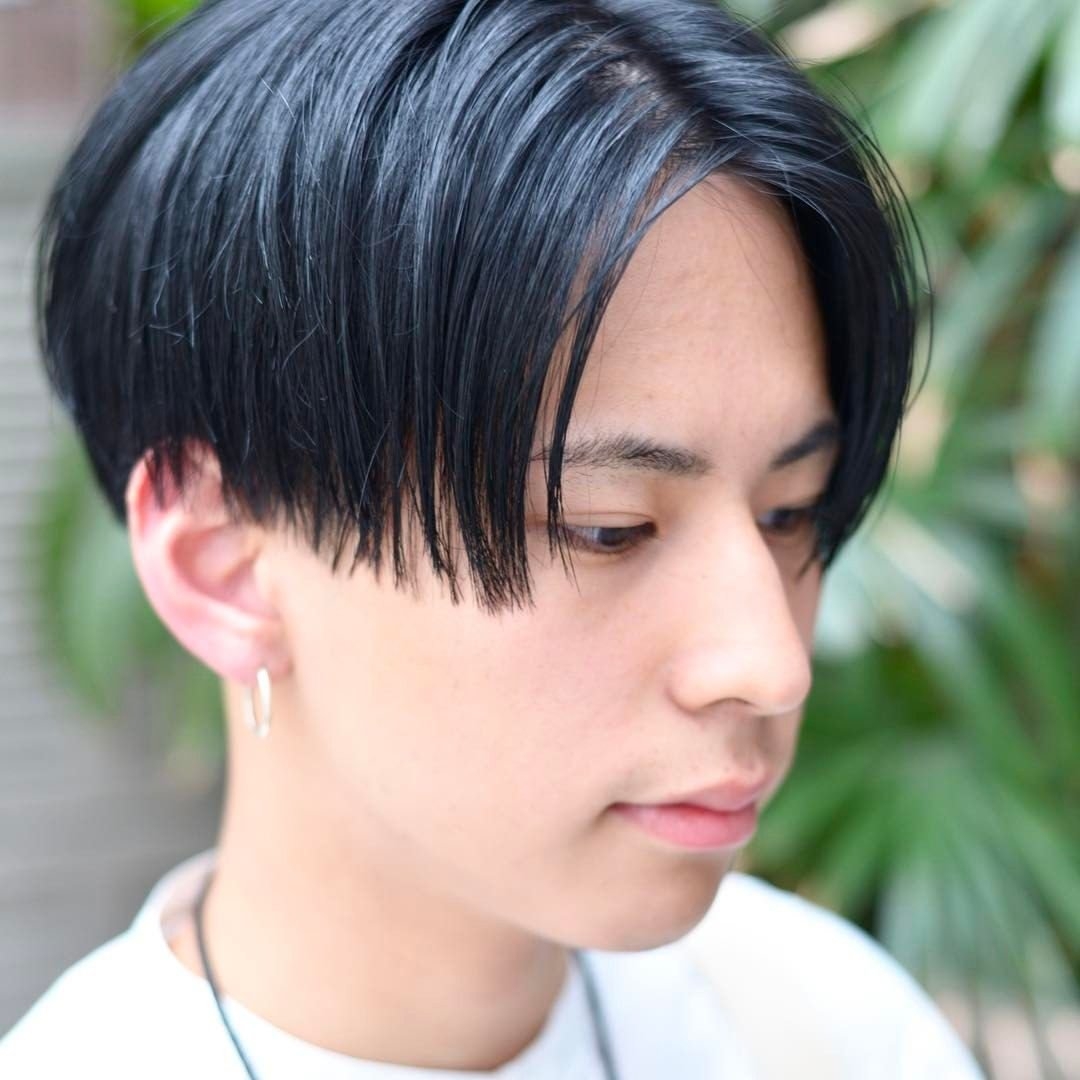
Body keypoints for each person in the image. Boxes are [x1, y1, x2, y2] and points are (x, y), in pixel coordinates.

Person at [0, 0, 986, 1077]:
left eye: (789, 510)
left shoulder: (827, 1027)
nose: (772, 664)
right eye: (609, 528)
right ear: (226, 564)